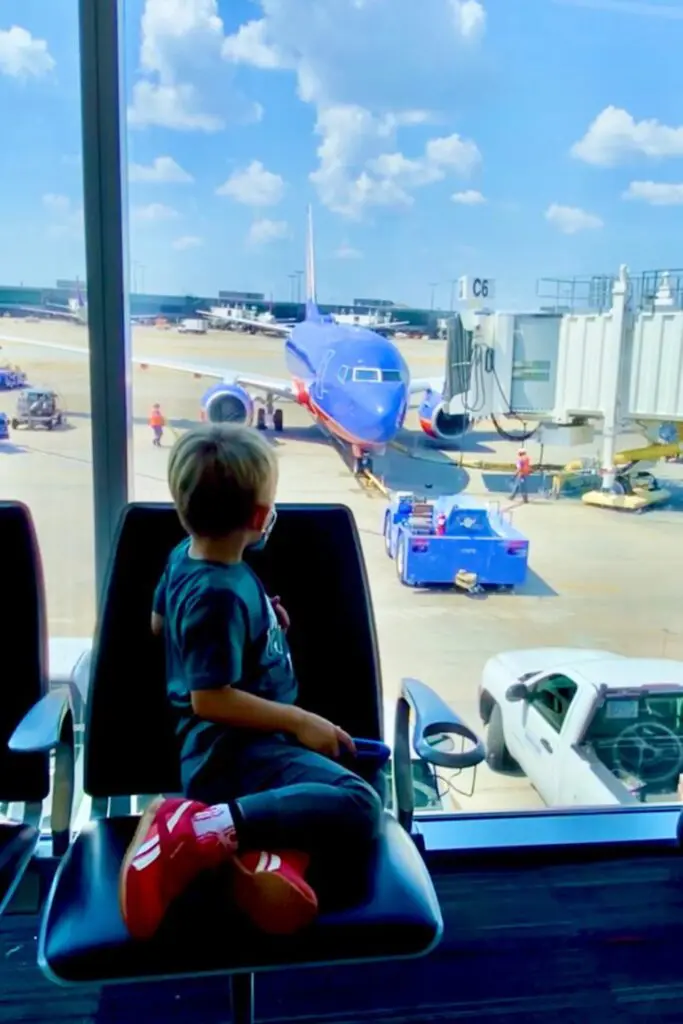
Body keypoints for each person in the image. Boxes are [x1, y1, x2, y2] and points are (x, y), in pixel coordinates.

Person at [119, 423, 381, 942]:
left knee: (317, 799)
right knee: (358, 804)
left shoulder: (186, 557)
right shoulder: (219, 594)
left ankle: (263, 860)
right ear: (260, 517)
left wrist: (257, 627)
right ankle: (190, 831)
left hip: (243, 750)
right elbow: (209, 697)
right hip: (234, 755)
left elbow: (157, 623)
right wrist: (303, 720)